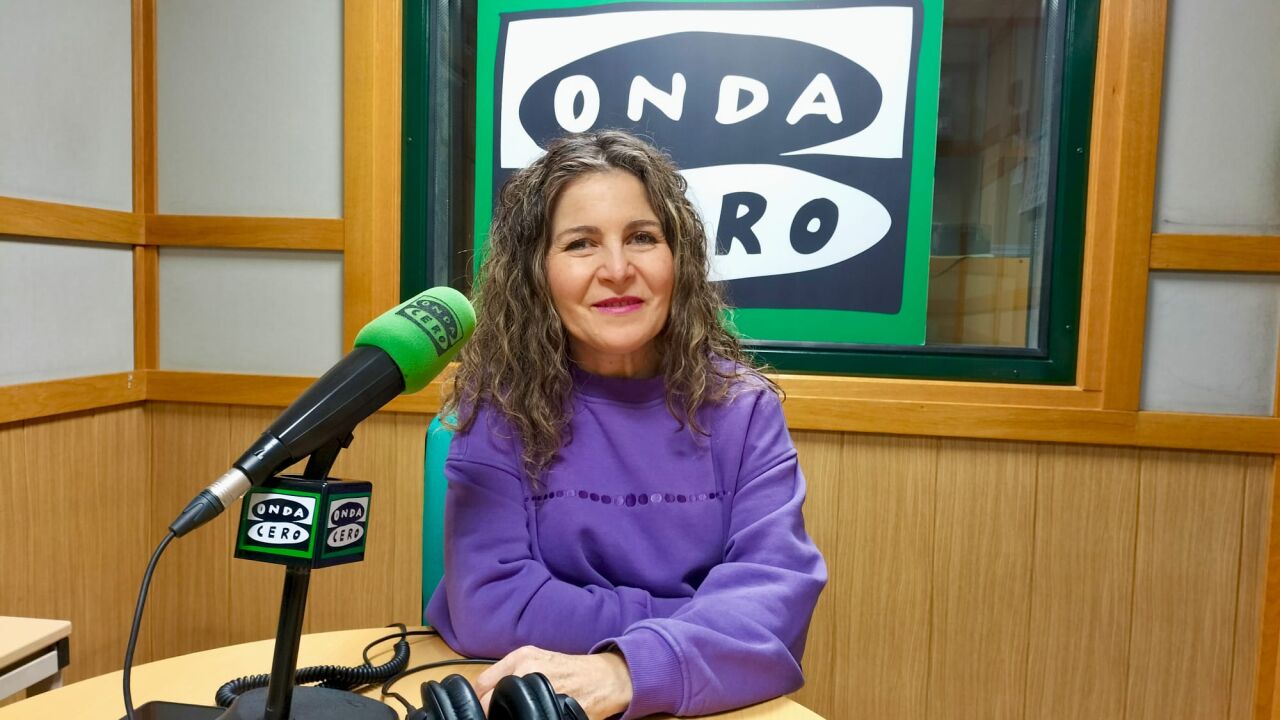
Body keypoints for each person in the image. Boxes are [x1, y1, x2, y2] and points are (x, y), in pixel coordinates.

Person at [426, 130, 827, 720]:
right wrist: (697, 622)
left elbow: (775, 604)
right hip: (536, 702)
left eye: (642, 237)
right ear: (536, 273)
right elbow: (490, 606)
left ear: (678, 258)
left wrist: (628, 668)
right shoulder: (499, 407)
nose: (617, 269)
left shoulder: (744, 410)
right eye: (581, 244)